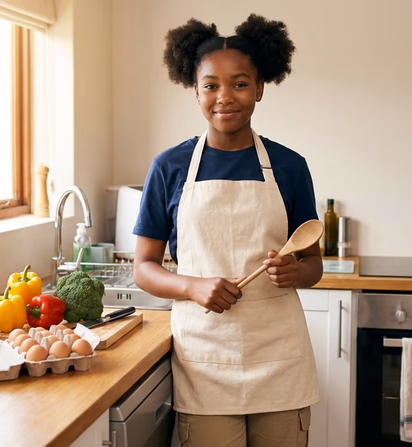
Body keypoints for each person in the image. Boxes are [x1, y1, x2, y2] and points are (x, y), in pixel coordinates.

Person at [133, 14, 322, 447]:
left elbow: (312, 263)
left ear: (259, 88)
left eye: (239, 84)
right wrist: (192, 286)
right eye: (211, 85)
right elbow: (143, 267)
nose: (225, 97)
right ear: (195, 90)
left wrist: (296, 272)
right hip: (205, 361)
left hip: (280, 360)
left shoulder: (290, 167)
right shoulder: (170, 167)